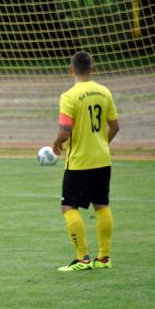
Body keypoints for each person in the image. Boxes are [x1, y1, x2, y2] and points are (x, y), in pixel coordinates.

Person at [52, 51, 120, 272]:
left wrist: (56, 143)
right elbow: (115, 127)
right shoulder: (104, 92)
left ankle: (82, 259)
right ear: (92, 68)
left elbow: (65, 129)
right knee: (101, 205)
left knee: (68, 206)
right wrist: (101, 143)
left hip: (79, 162)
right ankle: (104, 258)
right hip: (102, 159)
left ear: (70, 70)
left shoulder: (69, 96)